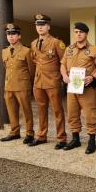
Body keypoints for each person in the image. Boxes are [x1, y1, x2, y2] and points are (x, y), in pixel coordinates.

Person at [60, 22, 96, 153]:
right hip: (71, 88)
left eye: (81, 32)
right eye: (76, 32)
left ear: (86, 34)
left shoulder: (94, 50)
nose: (78, 34)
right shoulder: (69, 49)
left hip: (86, 88)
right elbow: (62, 64)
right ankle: (75, 139)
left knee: (90, 115)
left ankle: (92, 142)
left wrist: (93, 77)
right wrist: (64, 75)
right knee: (72, 114)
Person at [29, 14, 67, 149]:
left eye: (43, 25)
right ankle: (41, 136)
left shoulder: (56, 42)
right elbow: (35, 60)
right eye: (38, 25)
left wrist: (62, 76)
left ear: (48, 26)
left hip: (52, 81)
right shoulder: (33, 43)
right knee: (41, 109)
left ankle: (61, 138)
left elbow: (64, 60)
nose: (40, 27)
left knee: (57, 110)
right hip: (38, 81)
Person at [0, 23, 35, 144]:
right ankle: (14, 132)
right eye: (9, 34)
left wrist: (29, 85)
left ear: (19, 36)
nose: (11, 37)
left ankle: (30, 133)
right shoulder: (4, 51)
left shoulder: (26, 51)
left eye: (14, 34)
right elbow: (7, 68)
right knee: (11, 111)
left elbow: (32, 70)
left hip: (22, 86)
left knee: (26, 111)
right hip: (9, 86)